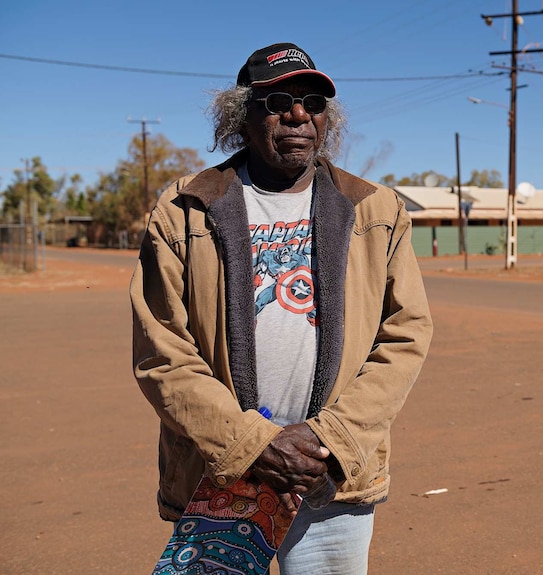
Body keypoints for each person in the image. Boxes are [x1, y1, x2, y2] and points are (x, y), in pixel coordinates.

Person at [130, 42, 433, 574]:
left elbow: (405, 335)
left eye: (312, 101)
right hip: (223, 468)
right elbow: (162, 352)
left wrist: (327, 440)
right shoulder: (184, 209)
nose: (298, 114)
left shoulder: (375, 209)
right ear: (241, 116)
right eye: (277, 101)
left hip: (328, 475)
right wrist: (252, 445)